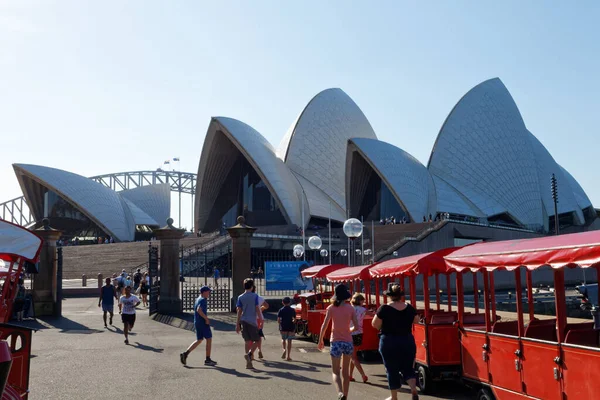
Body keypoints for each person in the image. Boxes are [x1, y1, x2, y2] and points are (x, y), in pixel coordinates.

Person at [372, 284, 420, 400]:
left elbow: (375, 324)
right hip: (407, 340)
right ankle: (413, 389)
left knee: (391, 368)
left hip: (389, 341)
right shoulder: (409, 307)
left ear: (389, 295)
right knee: (408, 367)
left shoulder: (384, 308)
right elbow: (417, 320)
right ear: (400, 295)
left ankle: (394, 397)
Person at [318, 284, 358, 400]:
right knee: (346, 372)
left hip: (335, 342)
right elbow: (356, 326)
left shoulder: (331, 308)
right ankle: (346, 395)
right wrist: (348, 330)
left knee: (335, 372)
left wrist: (320, 340)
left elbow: (324, 325)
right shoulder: (351, 308)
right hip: (348, 342)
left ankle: (340, 393)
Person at [180, 286, 217, 366]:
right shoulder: (203, 300)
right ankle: (208, 359)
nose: (209, 293)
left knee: (199, 340)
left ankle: (185, 354)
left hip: (197, 322)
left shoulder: (198, 299)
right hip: (202, 322)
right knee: (209, 339)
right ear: (204, 292)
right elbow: (199, 310)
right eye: (208, 292)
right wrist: (206, 319)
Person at [235, 279, 263, 369]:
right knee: (257, 340)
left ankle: (248, 362)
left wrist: (237, 324)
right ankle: (250, 354)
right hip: (252, 321)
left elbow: (239, 311)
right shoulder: (254, 296)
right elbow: (257, 308)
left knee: (247, 341)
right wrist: (261, 318)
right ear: (252, 287)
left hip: (243, 320)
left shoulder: (240, 297)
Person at [349, 293, 368, 383]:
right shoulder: (363, 309)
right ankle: (350, 375)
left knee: (353, 357)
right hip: (359, 333)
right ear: (359, 301)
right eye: (362, 300)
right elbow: (372, 313)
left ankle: (363, 375)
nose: (363, 302)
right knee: (354, 355)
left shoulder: (349, 309)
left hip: (350, 333)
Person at [252, 286, 269, 359]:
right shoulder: (259, 298)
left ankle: (251, 353)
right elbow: (267, 306)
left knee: (250, 336)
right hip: (260, 318)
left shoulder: (245, 297)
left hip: (250, 319)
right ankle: (259, 349)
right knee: (259, 335)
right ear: (255, 289)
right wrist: (261, 308)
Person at [277, 297, 295, 361]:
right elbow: (294, 319)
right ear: (289, 302)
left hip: (283, 327)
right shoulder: (292, 310)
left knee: (283, 339)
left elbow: (278, 320)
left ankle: (284, 350)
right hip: (290, 327)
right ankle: (288, 356)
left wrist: (280, 324)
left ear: (282, 302)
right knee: (289, 341)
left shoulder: (281, 310)